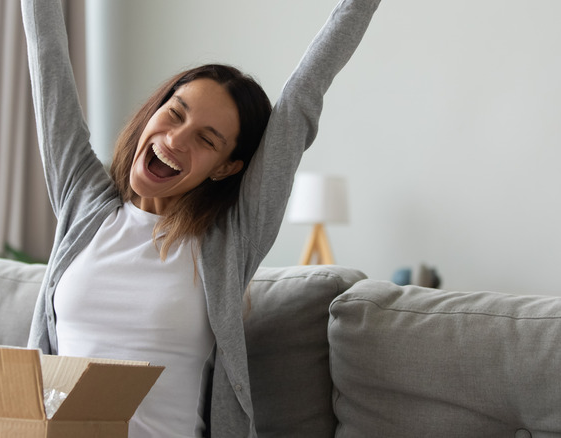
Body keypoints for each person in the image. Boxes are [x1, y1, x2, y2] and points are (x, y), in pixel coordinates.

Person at [21, 0, 380, 436]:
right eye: (174, 114)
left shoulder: (229, 238)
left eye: (205, 139)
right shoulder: (84, 205)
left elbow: (302, 97)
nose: (174, 140)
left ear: (226, 167)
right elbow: (48, 65)